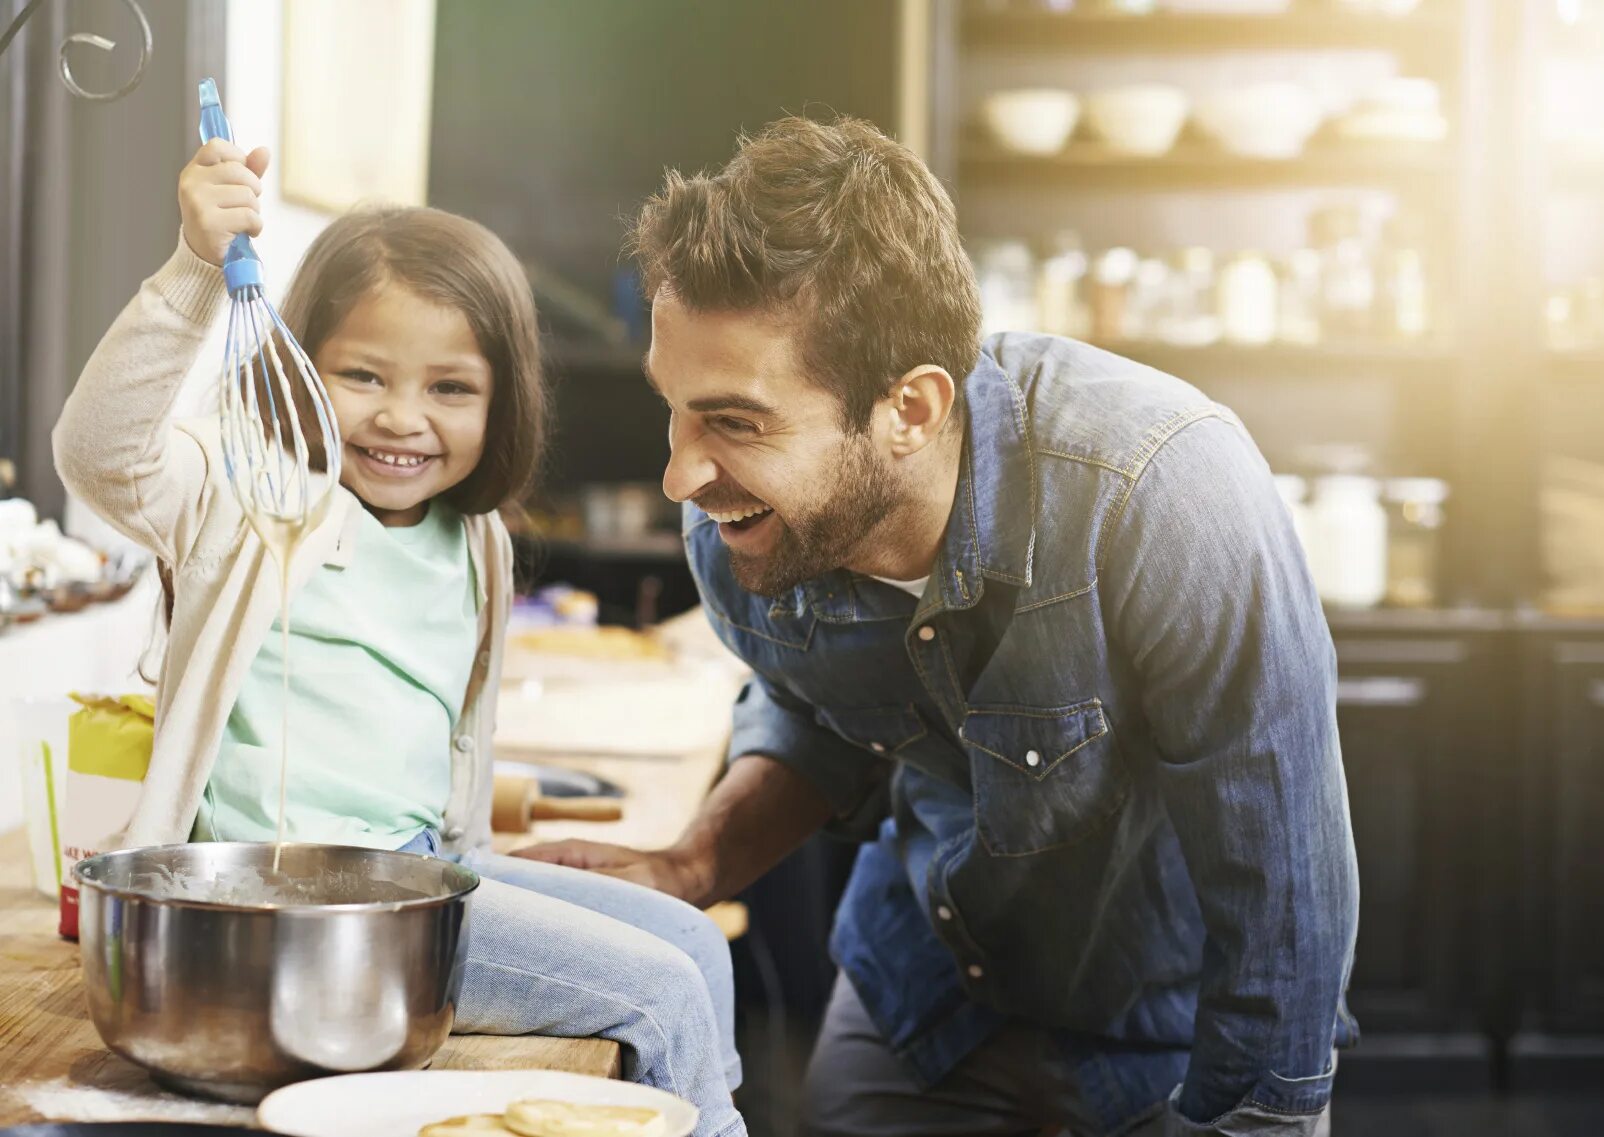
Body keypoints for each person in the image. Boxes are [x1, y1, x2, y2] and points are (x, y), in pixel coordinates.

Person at [518, 116, 1360, 1137]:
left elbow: (1277, 876)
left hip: (1167, 1030)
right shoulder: (743, 531)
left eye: (734, 421)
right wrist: (694, 863)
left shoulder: (1161, 491)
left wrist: (1259, 1115)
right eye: (676, 409)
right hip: (921, 990)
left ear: (909, 410)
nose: (680, 477)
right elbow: (812, 710)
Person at [53, 137, 745, 1137]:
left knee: (697, 947)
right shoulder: (251, 503)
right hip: (295, 907)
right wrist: (194, 270)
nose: (402, 419)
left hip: (418, 878)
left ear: (502, 396)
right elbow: (99, 450)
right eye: (363, 375)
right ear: (298, 365)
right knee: (660, 993)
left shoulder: (475, 545)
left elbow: (450, 754)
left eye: (449, 389)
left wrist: (477, 862)